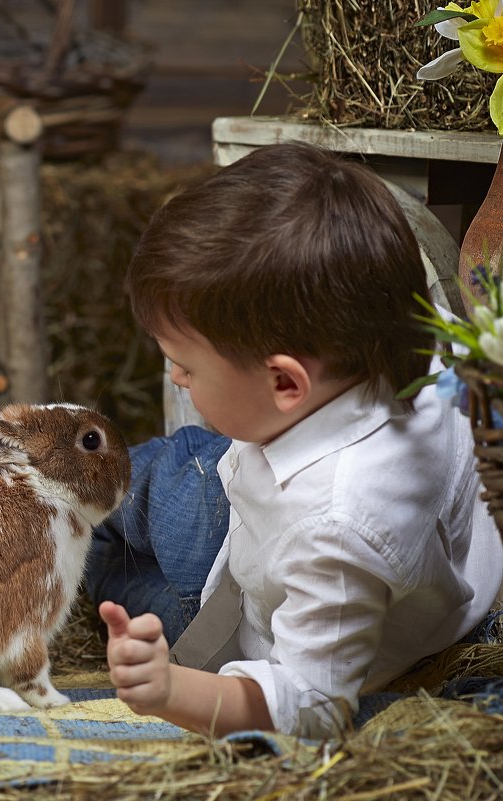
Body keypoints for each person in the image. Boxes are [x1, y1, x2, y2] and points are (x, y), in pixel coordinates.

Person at [86, 141, 503, 739]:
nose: (175, 376)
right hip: (263, 526)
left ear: (285, 382)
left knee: (133, 520)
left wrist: (171, 689)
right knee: (117, 534)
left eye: (185, 365)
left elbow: (312, 705)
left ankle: (62, 567)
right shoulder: (411, 335)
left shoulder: (337, 529)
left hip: (247, 600)